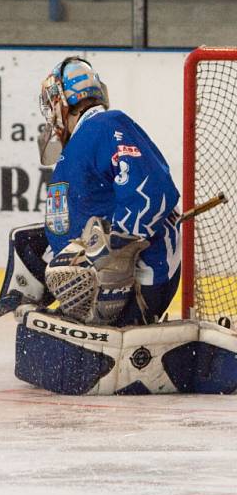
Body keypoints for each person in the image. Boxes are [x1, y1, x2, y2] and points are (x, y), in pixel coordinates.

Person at [37, 56, 181, 327]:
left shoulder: (105, 125)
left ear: (61, 102)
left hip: (134, 286)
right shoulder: (79, 145)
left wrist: (119, 249)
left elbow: (153, 191)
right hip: (95, 293)